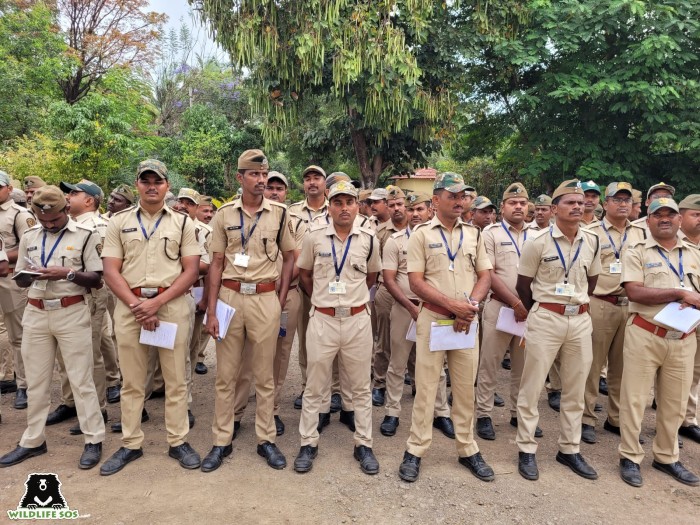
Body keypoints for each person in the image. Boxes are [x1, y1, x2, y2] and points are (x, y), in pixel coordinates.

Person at [100, 159, 202, 476]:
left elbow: (192, 270)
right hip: (131, 307)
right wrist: (137, 304)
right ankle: (131, 443)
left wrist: (157, 302)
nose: (152, 186)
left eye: (157, 181)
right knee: (132, 382)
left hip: (170, 305)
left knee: (175, 379)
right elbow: (110, 270)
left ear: (166, 185)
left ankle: (178, 441)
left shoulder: (184, 224)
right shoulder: (118, 222)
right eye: (145, 181)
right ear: (138, 185)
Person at [202, 149, 295, 473]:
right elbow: (215, 264)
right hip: (230, 298)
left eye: (264, 173)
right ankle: (221, 440)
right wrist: (211, 311)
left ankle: (265, 439)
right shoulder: (223, 215)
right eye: (254, 174)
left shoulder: (280, 214)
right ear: (240, 177)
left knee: (264, 376)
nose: (261, 179)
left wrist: (280, 299)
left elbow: (291, 257)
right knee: (226, 375)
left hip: (265, 299)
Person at [398, 172, 495, 483]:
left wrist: (470, 307)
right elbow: (415, 281)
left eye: (462, 196)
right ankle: (415, 449)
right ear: (435, 200)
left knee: (465, 387)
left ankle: (468, 449)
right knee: (426, 387)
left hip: (466, 322)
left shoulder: (473, 234)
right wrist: (451, 306)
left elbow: (485, 276)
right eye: (452, 196)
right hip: (434, 319)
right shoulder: (421, 235)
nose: (459, 201)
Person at [0, 185, 105, 469]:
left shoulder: (86, 235)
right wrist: (28, 275)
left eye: (54, 219)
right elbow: (19, 276)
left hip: (71, 310)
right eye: (43, 219)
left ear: (66, 210)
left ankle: (93, 439)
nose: (49, 224)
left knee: (80, 379)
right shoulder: (31, 236)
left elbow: (96, 278)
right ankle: (33, 440)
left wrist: (66, 272)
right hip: (35, 313)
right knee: (36, 382)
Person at [515, 179, 602, 481]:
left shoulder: (592, 240)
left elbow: (591, 282)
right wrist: (543, 308)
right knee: (533, 386)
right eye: (570, 202)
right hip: (546, 318)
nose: (578, 206)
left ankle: (569, 449)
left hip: (579, 319)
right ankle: (526, 448)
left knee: (575, 389)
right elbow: (523, 287)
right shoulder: (537, 242)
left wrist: (574, 303)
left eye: (580, 202)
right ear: (553, 209)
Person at [294, 180, 381, 474]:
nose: (344, 208)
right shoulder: (314, 237)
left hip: (357, 319)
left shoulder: (369, 239)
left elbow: (371, 277)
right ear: (329, 206)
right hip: (323, 319)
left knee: (360, 386)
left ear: (358, 205)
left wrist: (351, 300)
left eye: (350, 202)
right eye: (338, 203)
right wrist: (324, 300)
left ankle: (364, 444)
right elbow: (304, 275)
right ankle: (308, 442)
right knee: (315, 385)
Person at [618, 197, 700, 487]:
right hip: (645, 333)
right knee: (635, 398)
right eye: (658, 214)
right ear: (648, 220)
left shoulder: (693, 253)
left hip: (684, 339)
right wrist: (679, 293)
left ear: (679, 220)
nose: (664, 218)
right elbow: (635, 292)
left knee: (675, 403)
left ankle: (667, 457)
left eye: (670, 214)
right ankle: (629, 456)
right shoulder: (636, 250)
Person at [233, 171, 305, 437]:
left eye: (280, 188)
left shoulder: (292, 220)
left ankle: (271, 410)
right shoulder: (239, 215)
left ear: (286, 193)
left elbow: (297, 260)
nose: (274, 192)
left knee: (279, 355)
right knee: (245, 356)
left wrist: (279, 294)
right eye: (271, 186)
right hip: (250, 295)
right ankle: (236, 412)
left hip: (285, 296)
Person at [380, 192, 453, 437]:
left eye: (420, 209)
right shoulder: (396, 241)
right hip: (404, 308)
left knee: (436, 365)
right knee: (397, 362)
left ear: (430, 211)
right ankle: (392, 412)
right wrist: (410, 307)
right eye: (411, 209)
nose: (414, 214)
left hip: (433, 309)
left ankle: (441, 412)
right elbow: (389, 280)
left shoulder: (441, 239)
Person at [579, 182, 646, 445]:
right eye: (616, 199)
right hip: (600, 303)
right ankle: (586, 418)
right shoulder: (590, 232)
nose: (622, 204)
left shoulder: (641, 233)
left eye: (627, 200)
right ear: (604, 204)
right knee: (593, 365)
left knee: (623, 367)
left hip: (630, 305)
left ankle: (615, 418)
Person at [475, 183, 541, 441]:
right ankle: (484, 415)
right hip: (500, 308)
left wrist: (528, 305)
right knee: (489, 364)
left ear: (528, 207)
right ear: (502, 207)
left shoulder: (537, 236)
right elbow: (488, 274)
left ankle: (518, 414)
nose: (518, 207)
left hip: (530, 311)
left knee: (524, 368)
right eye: (513, 203)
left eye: (523, 203)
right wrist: (515, 303)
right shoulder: (490, 234)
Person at [48, 179, 114, 435]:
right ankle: (70, 402)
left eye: (74, 193)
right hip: (64, 296)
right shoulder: (68, 225)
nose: (68, 196)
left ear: (89, 200)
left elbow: (101, 269)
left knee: (90, 351)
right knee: (66, 352)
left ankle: (97, 407)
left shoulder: (97, 226)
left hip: (89, 295)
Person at [289, 165, 328, 410]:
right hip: (301, 286)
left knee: (332, 339)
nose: (312, 182)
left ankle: (332, 390)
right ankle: (307, 387)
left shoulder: (336, 207)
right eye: (308, 179)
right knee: (306, 340)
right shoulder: (291, 212)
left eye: (317, 178)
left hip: (327, 286)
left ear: (325, 182)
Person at [370, 186, 407, 407]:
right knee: (383, 339)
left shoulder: (419, 230)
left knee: (412, 337)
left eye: (399, 204)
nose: (396, 209)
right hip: (385, 290)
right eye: (391, 205)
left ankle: (413, 380)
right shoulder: (381, 232)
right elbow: (374, 265)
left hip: (412, 291)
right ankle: (380, 384)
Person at [0, 171, 34, 410]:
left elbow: (28, 246)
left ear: (9, 189)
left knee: (18, 334)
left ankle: (23, 385)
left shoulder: (19, 215)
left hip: (10, 278)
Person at [677, 194, 700, 444]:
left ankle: (688, 420)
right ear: (681, 217)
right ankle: (670, 419)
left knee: (695, 372)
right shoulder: (670, 242)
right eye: (696, 214)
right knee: (678, 371)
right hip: (682, 315)